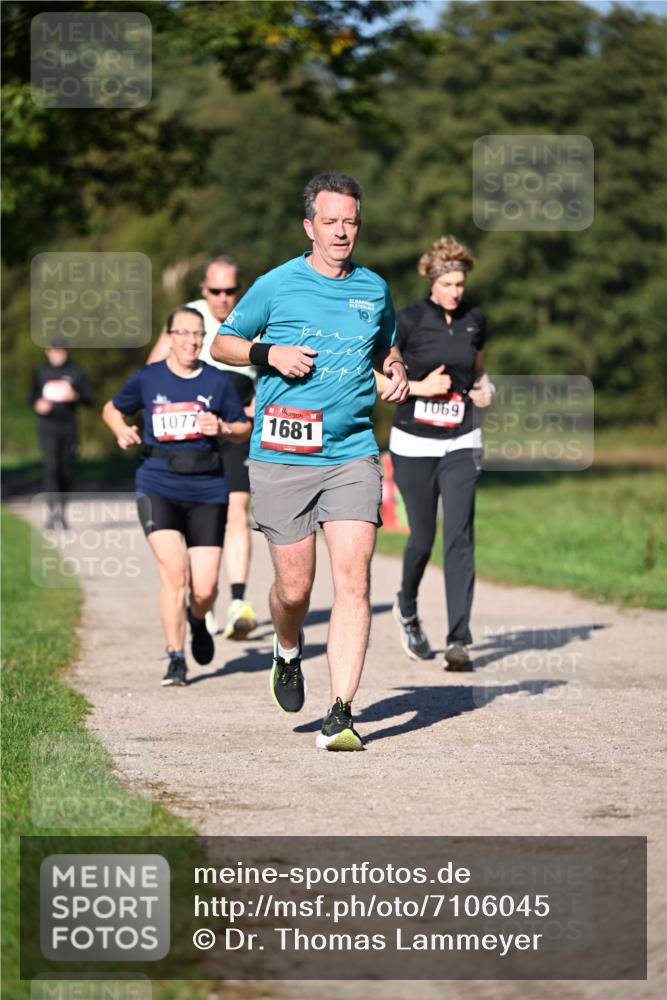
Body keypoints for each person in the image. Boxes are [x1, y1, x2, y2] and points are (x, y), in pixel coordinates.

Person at [211, 172, 408, 750]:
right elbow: (222, 343)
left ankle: (341, 712)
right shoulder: (277, 285)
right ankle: (287, 646)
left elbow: (386, 344)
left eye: (351, 221)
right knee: (294, 589)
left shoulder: (373, 288)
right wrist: (269, 351)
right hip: (282, 454)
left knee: (355, 578)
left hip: (352, 452)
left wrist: (394, 368)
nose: (342, 232)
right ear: (310, 227)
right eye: (331, 222)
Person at [102, 306, 250, 686]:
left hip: (207, 488)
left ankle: (198, 618)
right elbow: (112, 409)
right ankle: (176, 657)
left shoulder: (217, 381)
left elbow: (242, 427)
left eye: (198, 334)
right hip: (158, 484)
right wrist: (121, 429)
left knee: (204, 588)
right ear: (168, 337)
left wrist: (221, 426)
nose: (192, 341)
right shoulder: (148, 379)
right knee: (175, 574)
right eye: (183, 333)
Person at [378, 236, 494, 671]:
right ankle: (406, 604)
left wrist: (486, 390)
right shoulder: (407, 319)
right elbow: (384, 375)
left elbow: (478, 371)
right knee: (422, 537)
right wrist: (421, 388)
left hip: (461, 439)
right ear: (432, 281)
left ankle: (458, 640)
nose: (456, 292)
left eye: (460, 284)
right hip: (413, 443)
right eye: (448, 284)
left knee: (460, 535)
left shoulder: (474, 319)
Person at [147, 257, 258, 641]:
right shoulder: (188, 318)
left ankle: (238, 602)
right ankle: (202, 601)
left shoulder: (254, 315)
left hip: (235, 426)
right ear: (202, 290)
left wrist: (257, 405)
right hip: (189, 432)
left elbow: (271, 372)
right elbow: (153, 368)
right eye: (216, 291)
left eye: (231, 291)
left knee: (237, 511)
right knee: (198, 516)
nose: (224, 298)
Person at [30, 336, 93, 529]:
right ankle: (51, 513)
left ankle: (63, 513)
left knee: (65, 470)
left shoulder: (76, 372)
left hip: (68, 428)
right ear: (48, 351)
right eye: (54, 350)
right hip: (47, 428)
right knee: (51, 468)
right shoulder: (41, 372)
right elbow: (30, 397)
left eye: (61, 351)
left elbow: (89, 399)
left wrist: (75, 396)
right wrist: (37, 404)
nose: (57, 354)